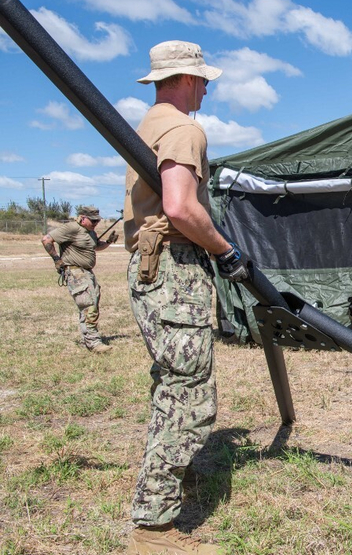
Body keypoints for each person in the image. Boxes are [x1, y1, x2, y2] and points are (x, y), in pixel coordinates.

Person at [124, 40, 248, 555]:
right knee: (191, 397)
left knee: (170, 383)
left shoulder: (147, 124)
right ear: (186, 79)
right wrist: (226, 251)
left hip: (151, 266)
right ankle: (152, 529)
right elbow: (179, 207)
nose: (206, 89)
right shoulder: (184, 127)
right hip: (174, 268)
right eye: (203, 80)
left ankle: (172, 481)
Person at [41, 206, 117, 353]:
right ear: (82, 218)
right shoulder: (71, 228)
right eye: (93, 221)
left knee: (91, 303)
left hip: (87, 272)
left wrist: (108, 242)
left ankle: (87, 339)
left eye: (97, 221)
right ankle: (93, 343)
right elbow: (46, 239)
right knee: (89, 305)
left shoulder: (90, 232)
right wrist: (57, 259)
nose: (96, 224)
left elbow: (94, 247)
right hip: (75, 271)